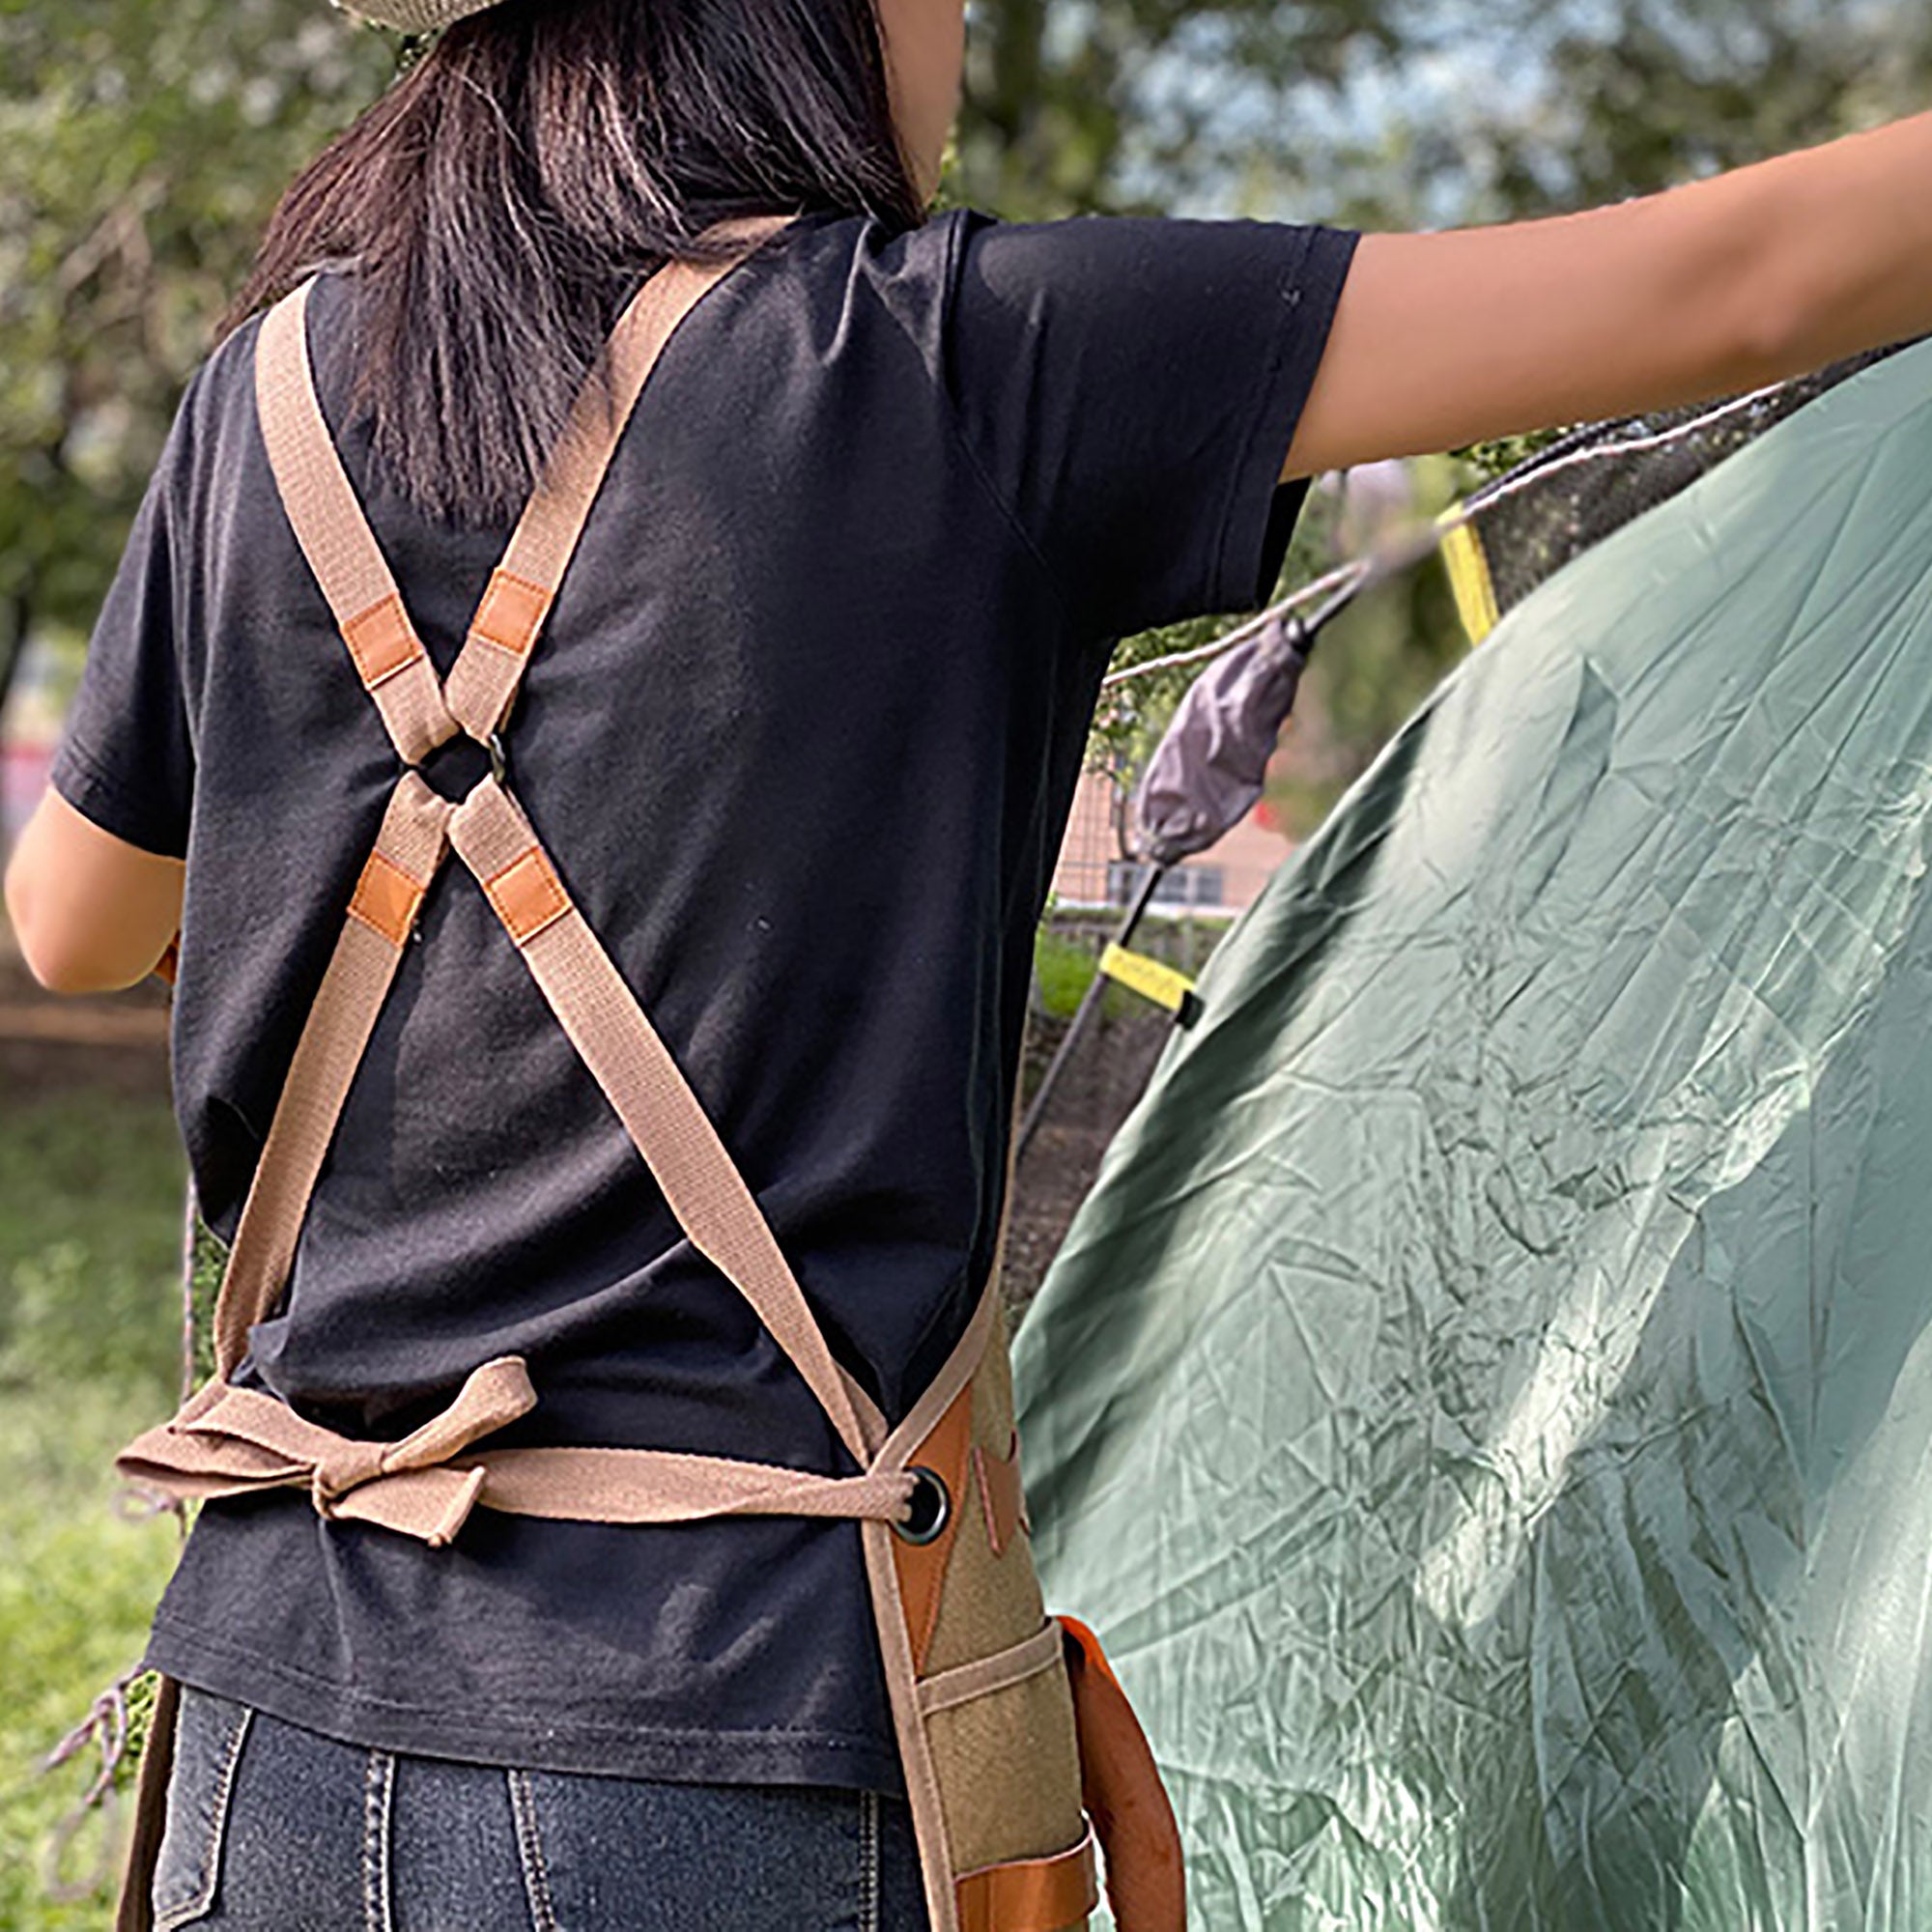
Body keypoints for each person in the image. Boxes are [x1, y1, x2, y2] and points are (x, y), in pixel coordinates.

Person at [6, 0, 1932, 1924]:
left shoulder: (269, 395)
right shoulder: (962, 359)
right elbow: (1740, 279)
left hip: (267, 1707)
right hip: (711, 1747)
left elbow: (74, 921)